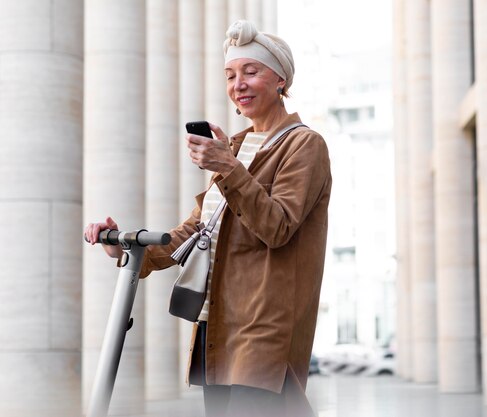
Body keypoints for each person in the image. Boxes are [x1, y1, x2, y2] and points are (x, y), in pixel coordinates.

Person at [84, 20, 332, 417]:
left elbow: (278, 227)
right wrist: (123, 246)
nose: (239, 84)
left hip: (261, 326)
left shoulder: (304, 145)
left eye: (252, 71)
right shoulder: (234, 147)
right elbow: (194, 234)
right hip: (214, 326)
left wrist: (230, 168)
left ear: (281, 79)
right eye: (231, 75)